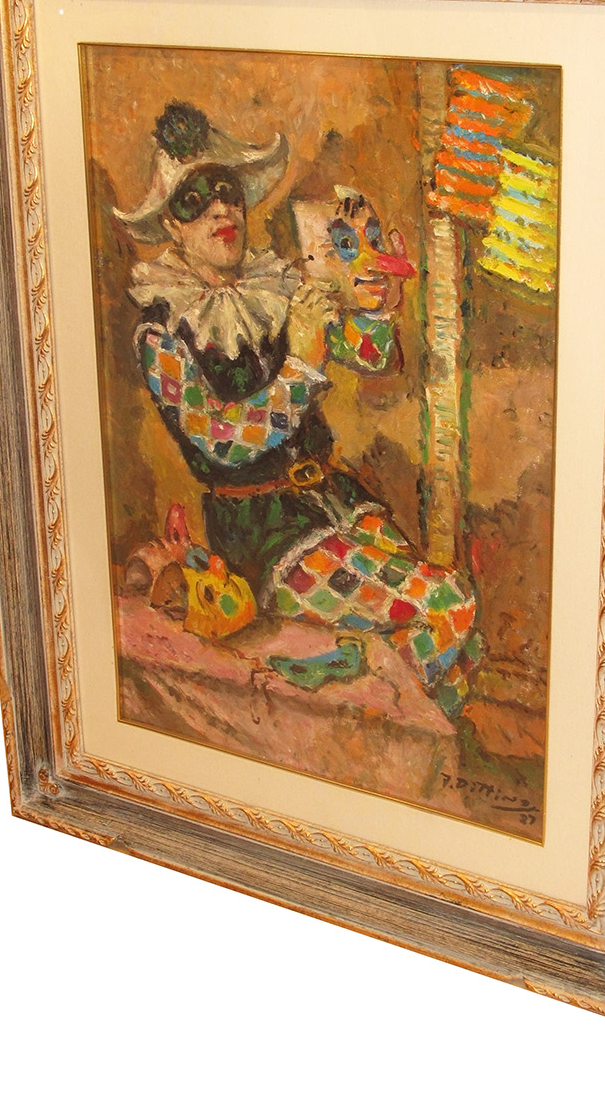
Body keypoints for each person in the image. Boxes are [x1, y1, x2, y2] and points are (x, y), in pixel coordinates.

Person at [117, 102, 478, 716]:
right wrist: (301, 368)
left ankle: (380, 707)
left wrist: (374, 299)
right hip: (266, 534)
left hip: (336, 502)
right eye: (196, 201)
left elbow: (371, 356)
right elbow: (222, 441)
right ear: (173, 226)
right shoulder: (161, 330)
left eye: (228, 193)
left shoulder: (277, 285)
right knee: (448, 608)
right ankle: (371, 704)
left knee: (459, 631)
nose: (221, 211)